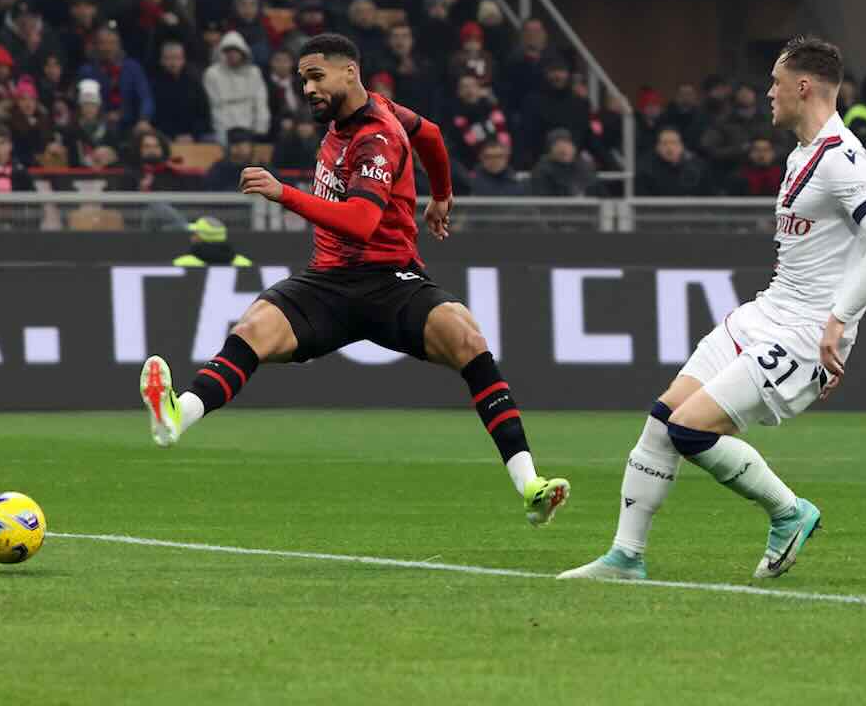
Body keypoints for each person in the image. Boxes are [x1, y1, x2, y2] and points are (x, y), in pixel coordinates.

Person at [138, 34, 570, 526]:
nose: (307, 88)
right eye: (303, 79)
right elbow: (429, 134)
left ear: (350, 72)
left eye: (316, 77)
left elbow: (362, 221)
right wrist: (442, 195)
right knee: (253, 328)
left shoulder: (377, 137)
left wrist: (285, 194)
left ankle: (530, 485)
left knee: (467, 338)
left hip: (391, 280)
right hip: (329, 281)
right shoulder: (378, 114)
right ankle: (176, 417)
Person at [561, 36, 866, 583]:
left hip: (804, 332)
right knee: (663, 421)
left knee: (692, 431)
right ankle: (626, 557)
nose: (768, 92)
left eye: (776, 82)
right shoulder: (800, 154)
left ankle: (788, 512)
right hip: (767, 313)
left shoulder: (842, 158)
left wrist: (841, 320)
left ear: (802, 86)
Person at [203, 30, 270, 145]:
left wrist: (260, 128)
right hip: (223, 125)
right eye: (228, 51)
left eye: (235, 51)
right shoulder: (212, 73)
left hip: (249, 126)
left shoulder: (254, 73)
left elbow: (260, 101)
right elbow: (213, 106)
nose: (232, 54)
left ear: (243, 52)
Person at [635, 127, 713, 197]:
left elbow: (709, 195)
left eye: (673, 143)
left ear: (682, 146)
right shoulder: (646, 170)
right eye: (664, 143)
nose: (669, 148)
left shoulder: (698, 167)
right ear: (657, 147)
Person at [174, 217, 253, 267]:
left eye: (195, 233)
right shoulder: (245, 264)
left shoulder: (182, 264)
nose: (192, 237)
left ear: (199, 237)